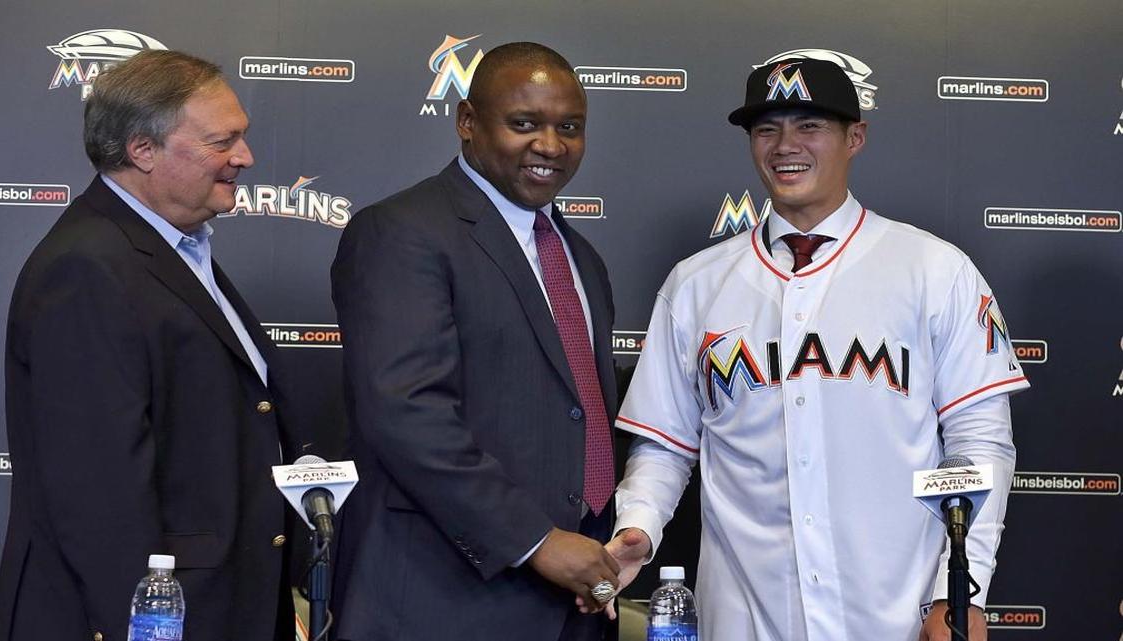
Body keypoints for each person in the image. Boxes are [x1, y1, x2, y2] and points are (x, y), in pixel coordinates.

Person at [603, 58, 1029, 640]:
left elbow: (979, 443)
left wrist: (960, 589)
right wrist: (640, 525)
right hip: (745, 616)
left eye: (810, 126)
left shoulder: (933, 269)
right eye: (766, 129)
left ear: (855, 137)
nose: (785, 146)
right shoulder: (696, 284)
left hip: (893, 613)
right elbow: (664, 445)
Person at [0, 50, 306, 641]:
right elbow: (98, 491)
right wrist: (149, 627)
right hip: (148, 619)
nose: (245, 157)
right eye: (223, 141)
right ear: (142, 150)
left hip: (220, 607)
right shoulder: (87, 267)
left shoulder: (177, 251)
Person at [330, 42, 621, 641]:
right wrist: (535, 541)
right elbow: (407, 413)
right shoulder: (402, 232)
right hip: (444, 599)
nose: (550, 145)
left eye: (570, 127)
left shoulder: (581, 257)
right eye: (524, 124)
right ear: (466, 122)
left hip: (577, 603)